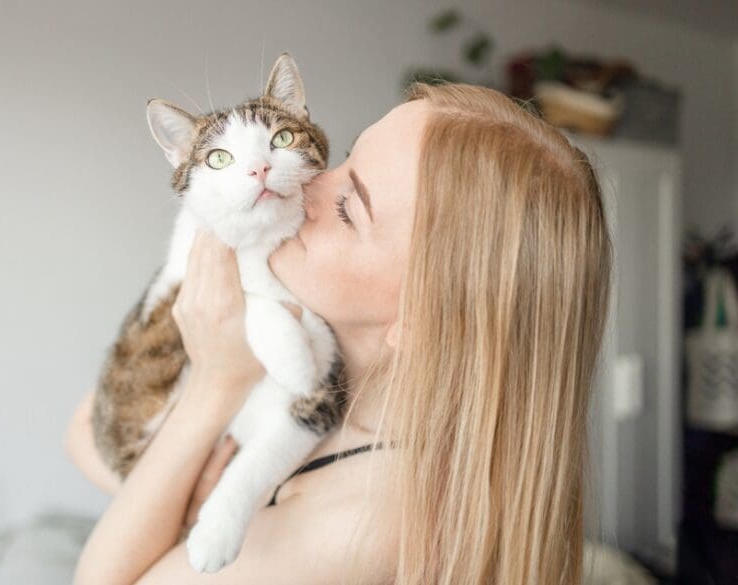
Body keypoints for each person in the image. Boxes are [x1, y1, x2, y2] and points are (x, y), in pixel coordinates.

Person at [65, 81, 612, 585]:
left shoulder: (364, 519)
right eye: (345, 157)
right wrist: (182, 503)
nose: (308, 182)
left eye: (349, 208)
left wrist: (216, 384)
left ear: (422, 317)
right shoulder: (305, 322)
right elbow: (85, 428)